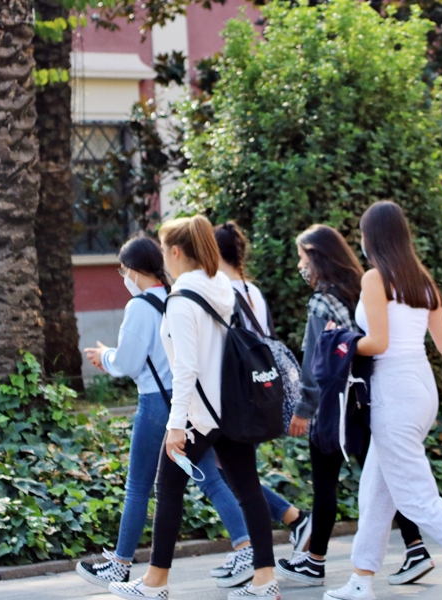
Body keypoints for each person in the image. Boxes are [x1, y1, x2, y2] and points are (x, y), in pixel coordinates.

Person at [324, 202, 442, 600]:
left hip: (394, 389)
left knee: (414, 495)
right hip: (419, 387)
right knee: (376, 489)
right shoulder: (421, 281)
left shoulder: (376, 279)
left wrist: (337, 339)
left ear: (372, 238)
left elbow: (378, 343)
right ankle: (361, 579)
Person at [108, 215, 279, 600]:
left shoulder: (183, 298)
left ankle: (155, 582)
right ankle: (265, 580)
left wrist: (175, 424)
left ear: (175, 251)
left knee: (168, 486)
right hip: (232, 406)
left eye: (164, 247)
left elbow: (186, 368)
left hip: (201, 413)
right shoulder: (219, 284)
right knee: (248, 488)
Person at [77, 236, 260, 590]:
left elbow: (129, 361)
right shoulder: (172, 296)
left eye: (122, 269)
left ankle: (120, 563)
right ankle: (245, 545)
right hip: (189, 402)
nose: (122, 276)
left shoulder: (139, 307)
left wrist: (106, 358)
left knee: (138, 486)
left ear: (131, 269)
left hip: (157, 403)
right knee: (209, 479)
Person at [277, 224, 434, 588]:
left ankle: (314, 561)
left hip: (334, 403)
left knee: (325, 481)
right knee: (387, 475)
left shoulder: (322, 300)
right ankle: (415, 548)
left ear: (316, 257)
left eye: (302, 258)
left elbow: (318, 359)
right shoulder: (360, 286)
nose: (301, 266)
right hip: (367, 394)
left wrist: (304, 409)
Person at [211, 221, 313, 568]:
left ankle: (274, 536)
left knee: (233, 475)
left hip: (238, 394)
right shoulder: (252, 289)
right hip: (263, 389)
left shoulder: (221, 288)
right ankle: (291, 523)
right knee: (239, 473)